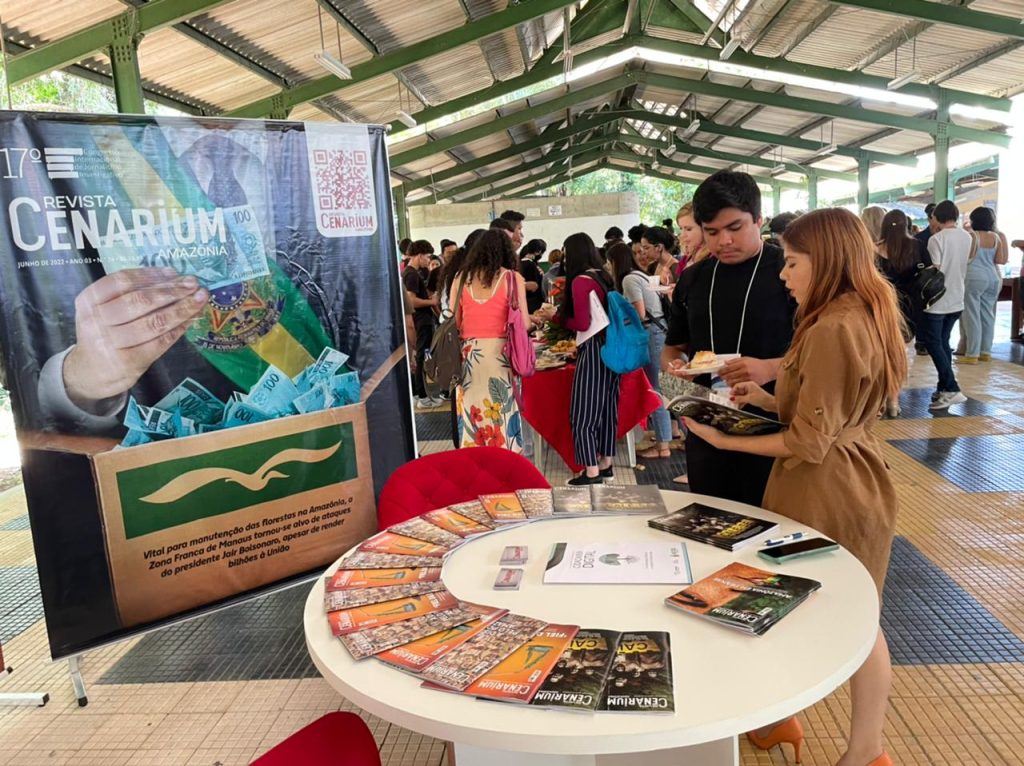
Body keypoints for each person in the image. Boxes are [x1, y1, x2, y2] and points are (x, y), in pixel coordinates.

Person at [683, 207, 904, 766]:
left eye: (795, 262)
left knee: (851, 620)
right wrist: (760, 400)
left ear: (827, 261)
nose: (784, 274)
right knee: (833, 610)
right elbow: (827, 408)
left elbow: (809, 441)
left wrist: (726, 441)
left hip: (827, 486)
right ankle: (787, 722)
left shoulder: (833, 325)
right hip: (849, 475)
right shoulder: (859, 311)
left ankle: (865, 752)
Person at [662, 170, 795, 507]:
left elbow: (823, 354)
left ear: (758, 220)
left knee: (775, 531)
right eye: (712, 232)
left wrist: (770, 368)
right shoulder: (692, 279)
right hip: (709, 429)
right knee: (712, 519)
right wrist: (674, 368)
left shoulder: (789, 274)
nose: (723, 242)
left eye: (735, 228)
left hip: (779, 430)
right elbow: (673, 347)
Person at [537, 233, 618, 485]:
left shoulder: (581, 281)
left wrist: (554, 317)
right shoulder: (602, 275)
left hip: (592, 349)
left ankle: (590, 470)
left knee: (583, 412)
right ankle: (606, 463)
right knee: (606, 408)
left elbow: (582, 323)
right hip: (611, 348)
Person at [449, 229, 529, 453]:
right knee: (502, 408)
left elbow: (454, 321)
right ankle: (505, 459)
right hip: (501, 354)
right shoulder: (513, 279)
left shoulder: (460, 278)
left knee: (471, 411)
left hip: (469, 354)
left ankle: (475, 463)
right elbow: (524, 322)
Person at [608, 242, 672, 459]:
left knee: (656, 389)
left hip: (651, 334)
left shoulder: (628, 279)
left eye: (609, 262)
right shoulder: (641, 275)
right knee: (663, 387)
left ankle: (663, 446)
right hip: (660, 331)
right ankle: (668, 435)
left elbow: (640, 313)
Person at [875, 209, 928, 417]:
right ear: (906, 224)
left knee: (881, 354)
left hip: (883, 307)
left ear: (884, 226)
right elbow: (930, 270)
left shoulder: (875, 249)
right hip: (911, 309)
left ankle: (879, 400)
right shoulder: (917, 246)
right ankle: (894, 401)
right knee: (899, 353)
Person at [921, 200, 971, 410]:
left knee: (933, 343)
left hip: (937, 301)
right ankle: (943, 388)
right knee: (943, 342)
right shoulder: (967, 236)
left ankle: (951, 388)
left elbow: (936, 271)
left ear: (936, 217)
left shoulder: (936, 239)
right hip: (957, 297)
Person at [961, 206, 1009, 363]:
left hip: (974, 277)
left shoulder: (972, 236)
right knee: (988, 315)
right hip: (993, 278)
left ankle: (972, 354)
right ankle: (985, 352)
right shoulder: (996, 237)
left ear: (974, 220)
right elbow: (1000, 260)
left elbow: (967, 257)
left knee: (972, 315)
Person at [403, 239, 440, 409]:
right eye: (426, 257)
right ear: (419, 255)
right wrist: (431, 302)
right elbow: (411, 300)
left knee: (423, 356)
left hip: (423, 320)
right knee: (421, 357)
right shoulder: (411, 274)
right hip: (421, 321)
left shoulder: (414, 272)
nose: (427, 261)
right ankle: (423, 395)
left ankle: (422, 393)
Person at [676, 202, 711, 276]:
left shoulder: (713, 257)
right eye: (681, 229)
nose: (682, 235)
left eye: (688, 229)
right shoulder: (687, 257)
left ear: (704, 227)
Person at [519, 238, 547, 314]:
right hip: (533, 304)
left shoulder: (519, 263)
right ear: (539, 251)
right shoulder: (531, 265)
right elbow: (536, 285)